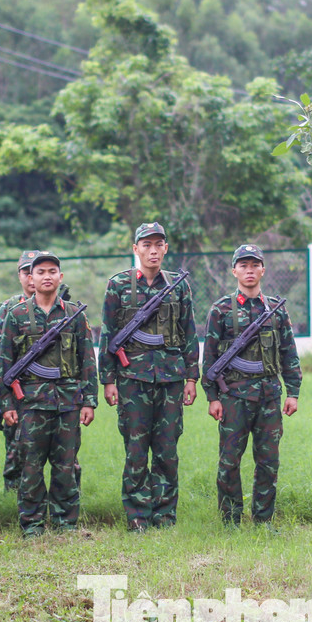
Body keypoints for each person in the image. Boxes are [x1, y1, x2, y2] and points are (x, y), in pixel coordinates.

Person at [98, 222, 198, 531]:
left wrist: (192, 378)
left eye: (158, 244)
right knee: (137, 450)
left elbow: (189, 333)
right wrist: (109, 379)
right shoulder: (118, 285)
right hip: (132, 381)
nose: (153, 250)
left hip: (170, 380)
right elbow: (108, 333)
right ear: (136, 249)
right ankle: (138, 516)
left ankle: (165, 515)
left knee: (167, 450)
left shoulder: (178, 286)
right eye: (146, 244)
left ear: (166, 248)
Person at [0, 251, 97, 535]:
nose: (47, 276)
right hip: (31, 404)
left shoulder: (74, 314)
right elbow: (5, 364)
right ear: (31, 278)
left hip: (68, 403)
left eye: (52, 271)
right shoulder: (15, 316)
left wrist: (89, 401)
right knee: (31, 466)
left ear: (60, 277)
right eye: (40, 272)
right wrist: (7, 405)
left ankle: (66, 522)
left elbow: (87, 360)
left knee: (65, 465)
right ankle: (32, 524)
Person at [201, 244, 301, 526]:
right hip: (233, 397)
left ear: (262, 270)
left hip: (269, 397)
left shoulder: (276, 311)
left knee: (268, 463)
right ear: (234, 271)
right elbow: (209, 356)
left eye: (254, 265)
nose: (249, 270)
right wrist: (213, 397)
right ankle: (231, 521)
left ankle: (263, 521)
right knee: (229, 462)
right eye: (243, 265)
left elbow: (288, 353)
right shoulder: (220, 310)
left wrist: (293, 392)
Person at [0, 250, 39, 491]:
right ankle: (12, 497)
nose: (31, 278)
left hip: (50, 388)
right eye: (26, 272)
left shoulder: (61, 306)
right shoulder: (9, 307)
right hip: (17, 387)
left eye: (36, 271)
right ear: (19, 276)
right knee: (15, 446)